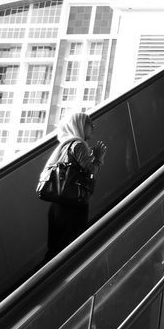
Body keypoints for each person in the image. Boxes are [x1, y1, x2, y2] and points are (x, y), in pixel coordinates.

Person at [42, 112, 106, 262]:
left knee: (55, 247)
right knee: (71, 247)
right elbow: (90, 170)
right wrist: (98, 159)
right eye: (89, 123)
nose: (93, 126)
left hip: (58, 205)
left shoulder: (64, 145)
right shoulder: (78, 144)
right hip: (72, 204)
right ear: (79, 125)